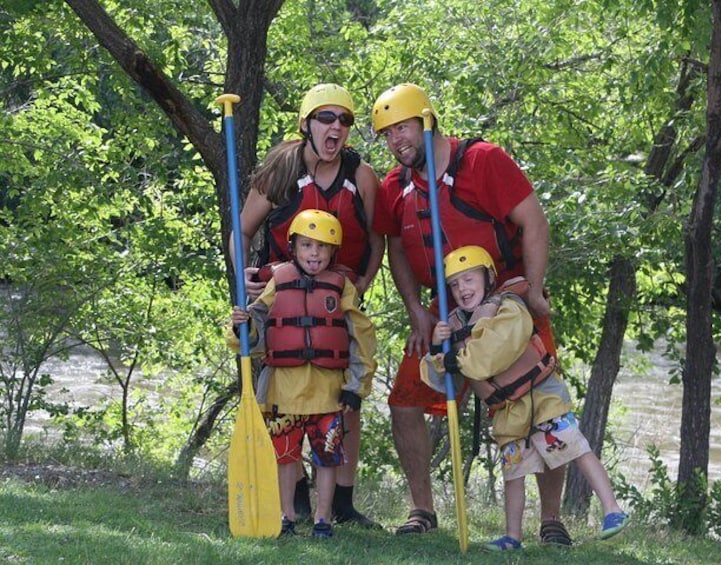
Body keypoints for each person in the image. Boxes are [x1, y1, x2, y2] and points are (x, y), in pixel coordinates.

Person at [370, 83, 570, 542]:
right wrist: (415, 310)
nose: (395, 140)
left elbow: (534, 221)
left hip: (507, 301)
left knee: (540, 401)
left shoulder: (483, 161)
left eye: (402, 128)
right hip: (445, 309)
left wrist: (534, 292)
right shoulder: (394, 187)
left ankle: (551, 521)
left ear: (426, 121)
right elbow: (396, 246)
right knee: (405, 402)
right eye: (387, 134)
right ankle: (422, 509)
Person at [229, 83, 384, 527]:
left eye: (344, 120)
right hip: (282, 294)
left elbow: (376, 241)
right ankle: (291, 502)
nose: (335, 127)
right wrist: (247, 284)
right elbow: (241, 233)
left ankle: (341, 504)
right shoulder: (281, 168)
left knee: (343, 401)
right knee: (285, 400)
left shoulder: (362, 176)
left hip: (338, 297)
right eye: (325, 118)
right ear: (306, 124)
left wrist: (363, 287)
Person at [420, 246, 630, 550]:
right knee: (514, 469)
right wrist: (439, 348)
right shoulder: (451, 325)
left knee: (573, 446)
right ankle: (513, 536)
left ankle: (613, 510)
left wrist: (456, 358)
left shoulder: (508, 306)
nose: (462, 289)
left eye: (468, 279)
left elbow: (495, 351)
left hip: (542, 395)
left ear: (488, 277)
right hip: (507, 408)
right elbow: (439, 378)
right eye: (454, 284)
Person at [227, 209, 377, 539]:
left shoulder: (341, 287)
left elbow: (361, 337)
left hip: (328, 394)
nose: (314, 254)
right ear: (293, 247)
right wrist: (243, 327)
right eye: (307, 245)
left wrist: (356, 386)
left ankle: (323, 519)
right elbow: (255, 330)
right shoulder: (277, 283)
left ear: (333, 252)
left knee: (326, 459)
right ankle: (286, 515)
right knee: (284, 458)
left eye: (322, 247)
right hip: (283, 393)